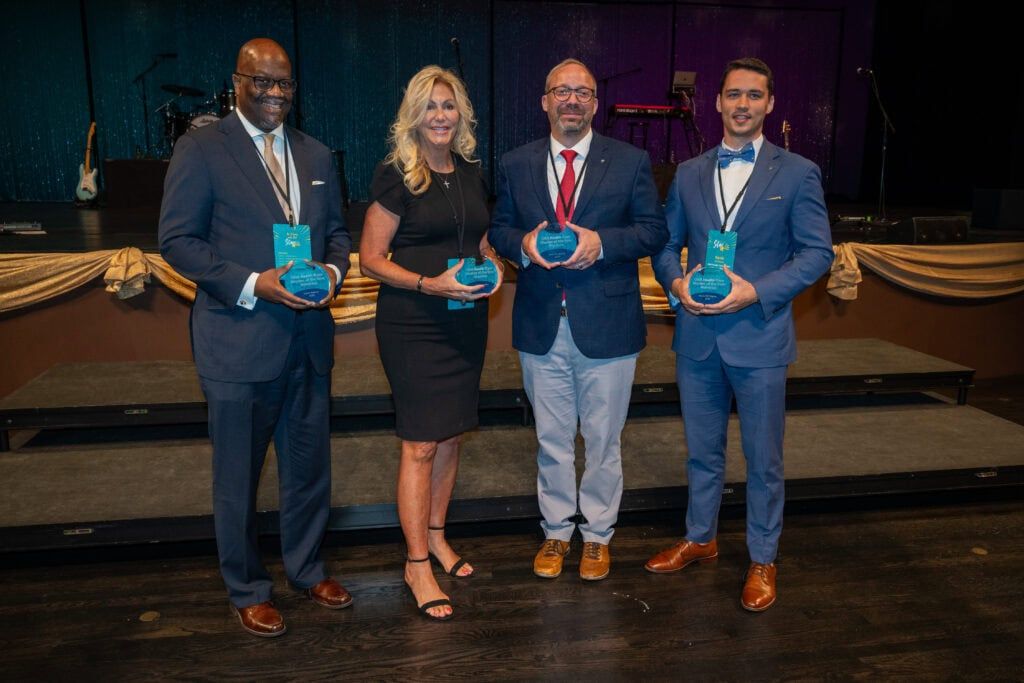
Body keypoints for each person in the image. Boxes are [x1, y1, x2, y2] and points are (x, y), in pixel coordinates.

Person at [159, 38, 353, 637]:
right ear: (236, 82)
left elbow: (339, 237)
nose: (274, 93)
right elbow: (178, 242)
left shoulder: (317, 155)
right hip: (238, 341)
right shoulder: (200, 149)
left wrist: (331, 272)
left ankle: (306, 566)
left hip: (309, 339)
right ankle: (246, 586)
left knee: (307, 467)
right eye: (261, 82)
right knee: (237, 478)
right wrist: (252, 284)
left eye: (284, 84)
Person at [645, 58, 834, 611]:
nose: (743, 104)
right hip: (698, 338)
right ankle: (701, 538)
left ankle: (762, 557)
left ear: (770, 103)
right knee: (702, 454)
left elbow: (817, 252)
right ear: (719, 103)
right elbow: (663, 242)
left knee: (763, 459)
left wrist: (755, 292)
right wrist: (675, 281)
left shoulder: (798, 173)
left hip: (759, 335)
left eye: (754, 95)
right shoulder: (688, 172)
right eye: (733, 95)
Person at [489, 59, 667, 581]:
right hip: (541, 322)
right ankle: (556, 533)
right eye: (561, 91)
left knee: (604, 440)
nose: (572, 100)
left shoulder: (631, 160)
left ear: (595, 103)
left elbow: (652, 231)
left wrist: (602, 243)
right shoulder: (516, 163)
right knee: (551, 439)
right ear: (544, 101)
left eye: (583, 93)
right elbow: (500, 229)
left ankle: (597, 535)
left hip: (608, 323)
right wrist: (521, 244)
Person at [359, 66, 502, 620]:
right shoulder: (397, 175)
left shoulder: (469, 170)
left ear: (460, 113)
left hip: (464, 319)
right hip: (413, 324)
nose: (440, 116)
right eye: (430, 106)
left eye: (449, 106)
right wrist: (426, 283)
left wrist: (490, 264)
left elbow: (479, 237)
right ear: (414, 115)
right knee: (420, 442)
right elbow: (371, 259)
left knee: (452, 436)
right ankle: (416, 562)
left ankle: (438, 537)